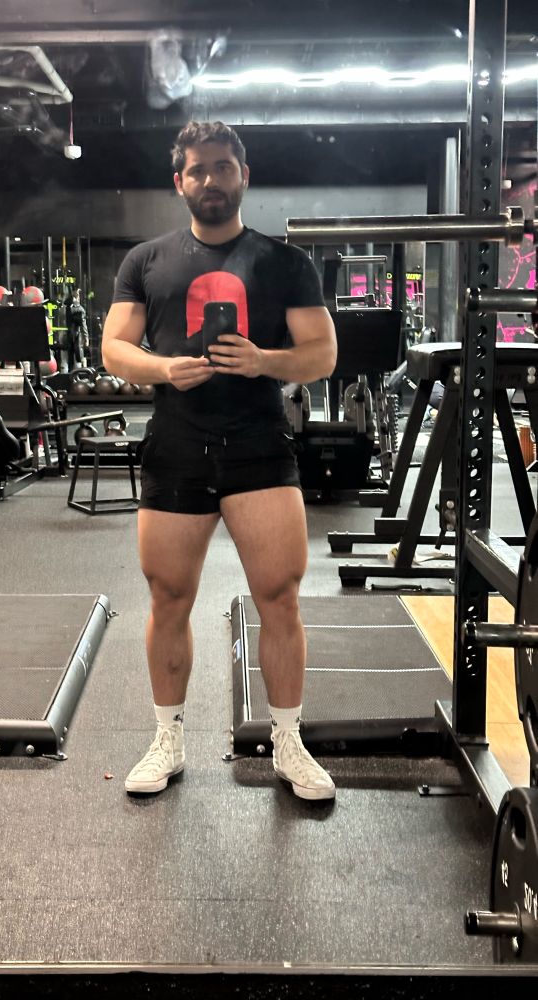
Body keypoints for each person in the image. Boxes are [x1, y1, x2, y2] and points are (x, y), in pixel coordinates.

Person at [102, 121, 338, 801]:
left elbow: (322, 355)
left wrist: (263, 360)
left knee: (280, 597)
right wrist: (164, 369)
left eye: (224, 167)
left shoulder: (285, 262)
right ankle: (167, 739)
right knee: (168, 597)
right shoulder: (146, 260)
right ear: (180, 181)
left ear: (244, 176)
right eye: (198, 169)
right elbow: (114, 347)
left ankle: (288, 741)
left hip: (259, 446)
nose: (212, 179)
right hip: (177, 445)